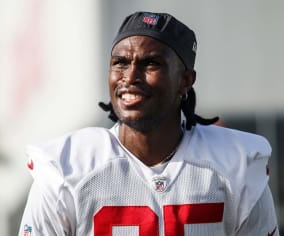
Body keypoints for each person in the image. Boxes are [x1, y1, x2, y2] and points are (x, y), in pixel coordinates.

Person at [18, 11, 280, 235]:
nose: (130, 76)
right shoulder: (67, 167)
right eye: (120, 63)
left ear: (186, 80)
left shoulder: (234, 163)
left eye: (150, 64)